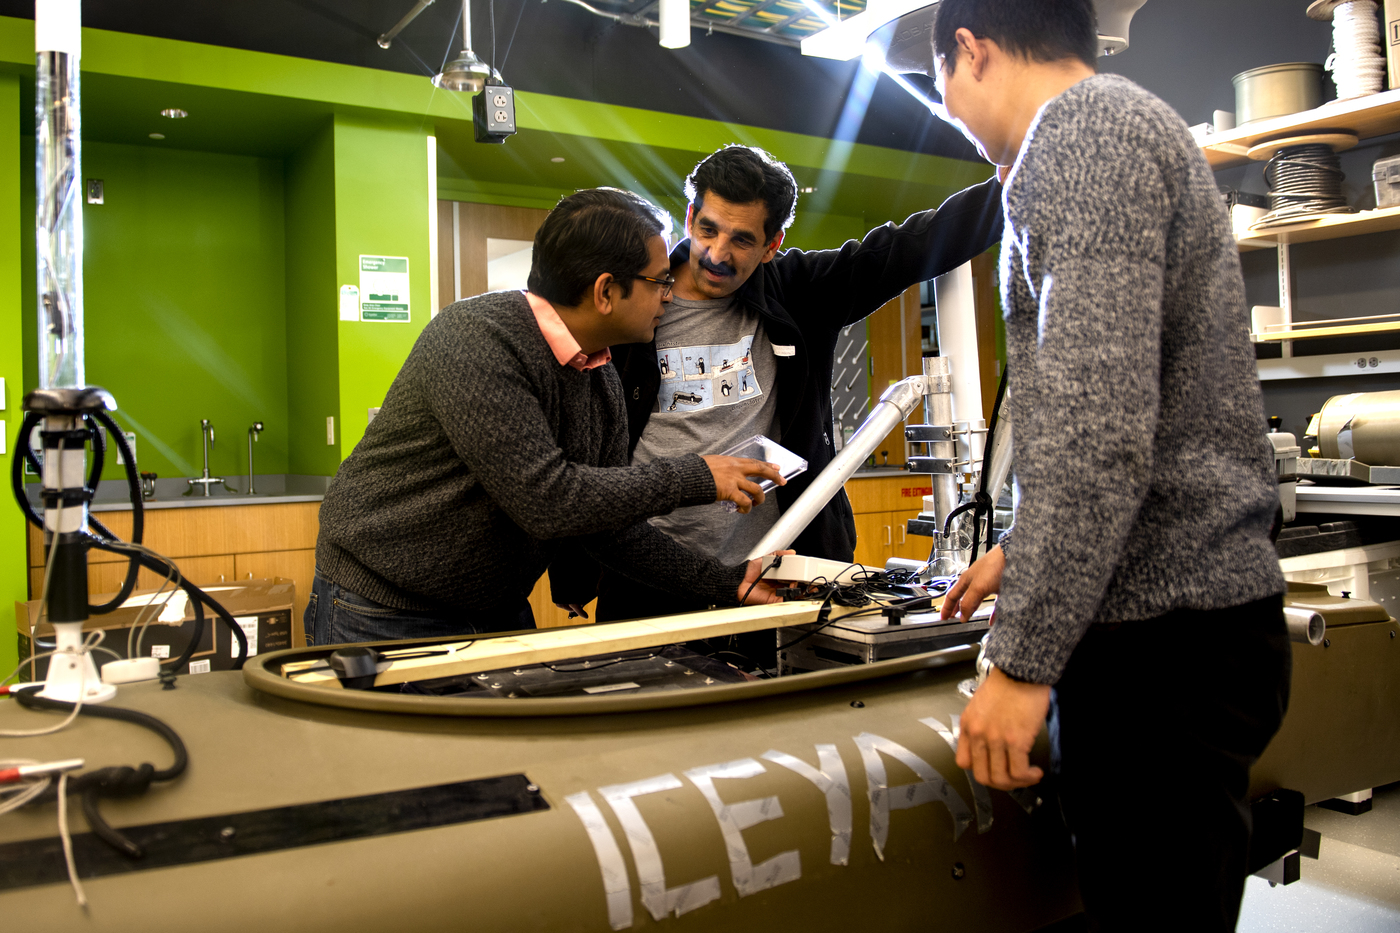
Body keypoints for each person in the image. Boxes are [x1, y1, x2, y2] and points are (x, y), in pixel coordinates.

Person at [930, 1, 1290, 929]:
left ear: (969, 50)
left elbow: (1099, 426)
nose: (951, 109)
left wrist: (1020, 662)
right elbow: (1107, 407)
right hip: (1164, 622)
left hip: (1166, 639)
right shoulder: (1101, 133)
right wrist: (1025, 545)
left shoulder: (1088, 134)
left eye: (940, 82)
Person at [308, 187, 789, 645]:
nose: (670, 294)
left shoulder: (598, 372)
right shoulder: (476, 339)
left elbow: (604, 526)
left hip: (494, 606)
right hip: (382, 609)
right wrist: (697, 476)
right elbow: (547, 500)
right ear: (605, 291)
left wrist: (727, 585)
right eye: (660, 280)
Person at [567, 144, 1005, 623]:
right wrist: (569, 561)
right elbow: (574, 439)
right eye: (707, 229)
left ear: (772, 245)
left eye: (741, 240)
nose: (716, 254)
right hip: (647, 575)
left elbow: (910, 246)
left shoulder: (797, 290)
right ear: (690, 215)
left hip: (772, 573)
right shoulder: (636, 296)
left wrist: (1026, 173)